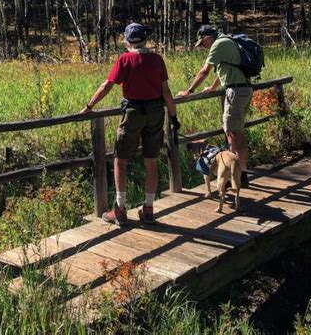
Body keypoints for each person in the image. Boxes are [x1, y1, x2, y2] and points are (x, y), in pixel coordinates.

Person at [80, 23, 179, 226]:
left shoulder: (125, 59)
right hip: (155, 112)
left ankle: (120, 210)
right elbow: (166, 91)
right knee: (151, 160)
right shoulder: (157, 59)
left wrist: (90, 105)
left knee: (121, 160)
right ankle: (149, 209)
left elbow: (107, 85)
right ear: (145, 39)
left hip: (133, 112)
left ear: (127, 41)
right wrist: (174, 115)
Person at [177, 25, 253, 187]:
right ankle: (242, 173)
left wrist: (189, 91)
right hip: (243, 88)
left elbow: (205, 70)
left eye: (202, 43)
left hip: (236, 91)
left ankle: (234, 177)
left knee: (232, 133)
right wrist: (212, 88)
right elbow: (224, 69)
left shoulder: (218, 44)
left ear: (207, 37)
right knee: (238, 133)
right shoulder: (227, 41)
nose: (203, 47)